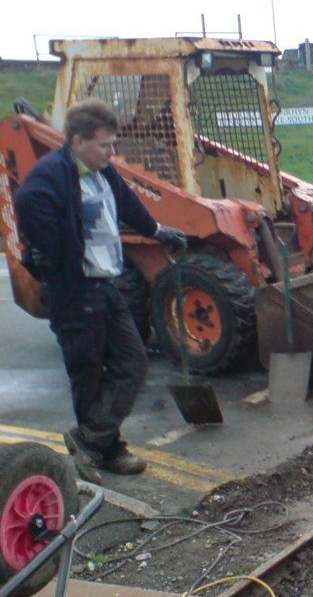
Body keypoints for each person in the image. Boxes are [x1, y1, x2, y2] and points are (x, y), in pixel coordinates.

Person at [14, 97, 186, 479]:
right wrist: (57, 257)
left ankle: (92, 440)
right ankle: (105, 448)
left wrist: (158, 232)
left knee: (133, 362)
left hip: (106, 285)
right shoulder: (52, 175)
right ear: (77, 141)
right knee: (87, 371)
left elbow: (127, 203)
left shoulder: (102, 172)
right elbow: (26, 203)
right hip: (76, 291)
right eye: (104, 144)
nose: (112, 152)